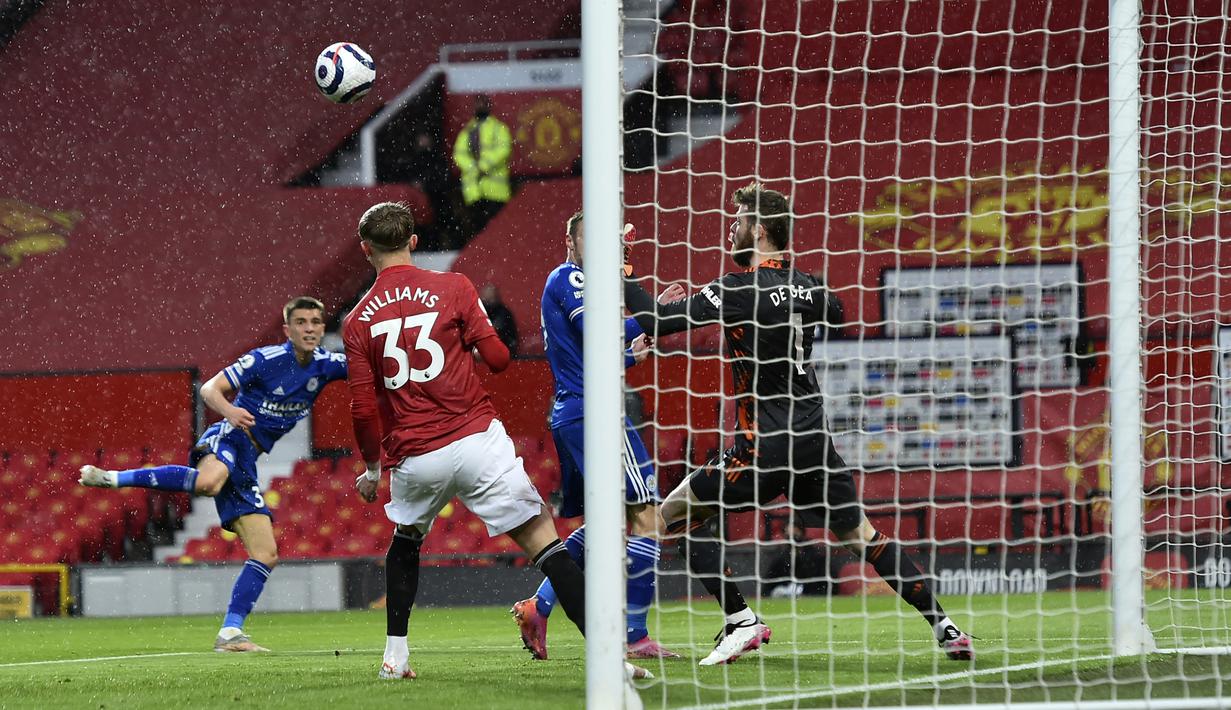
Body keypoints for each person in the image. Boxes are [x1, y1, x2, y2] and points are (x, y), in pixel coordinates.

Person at [622, 183, 975, 665]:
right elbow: (835, 311)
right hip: (814, 443)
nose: (732, 226)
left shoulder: (736, 289)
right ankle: (945, 626)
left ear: (759, 230)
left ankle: (740, 619)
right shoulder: (812, 286)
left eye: (740, 218)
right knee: (864, 538)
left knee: (669, 517)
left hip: (763, 446)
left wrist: (620, 271)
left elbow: (656, 320)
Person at [341, 202, 649, 681]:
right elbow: (501, 358)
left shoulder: (358, 320)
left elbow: (363, 408)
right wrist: (466, 340)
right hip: (476, 440)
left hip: (417, 454)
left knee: (406, 542)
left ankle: (395, 657)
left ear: (365, 250)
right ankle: (611, 661)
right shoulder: (455, 287)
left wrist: (373, 468)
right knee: (547, 545)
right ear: (414, 242)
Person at [78, 297, 347, 653]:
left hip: (248, 460)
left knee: (266, 554)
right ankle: (113, 478)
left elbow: (372, 366)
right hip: (229, 437)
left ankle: (231, 633)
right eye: (301, 322)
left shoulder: (326, 365)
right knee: (207, 482)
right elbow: (209, 389)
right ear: (288, 329)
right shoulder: (265, 359)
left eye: (316, 322)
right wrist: (231, 411)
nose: (310, 328)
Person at [510, 210, 680, 661]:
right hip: (595, 412)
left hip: (575, 410)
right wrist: (655, 314)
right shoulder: (571, 278)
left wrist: (628, 355)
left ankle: (539, 604)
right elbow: (598, 331)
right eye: (589, 236)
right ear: (569, 240)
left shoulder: (572, 284)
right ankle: (634, 635)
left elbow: (587, 350)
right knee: (647, 516)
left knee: (604, 525)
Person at [452, 94, 512, 236]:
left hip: (496, 191)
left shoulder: (498, 128)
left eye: (482, 103)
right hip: (474, 192)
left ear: (489, 105)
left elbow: (504, 149)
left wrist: (483, 166)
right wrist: (473, 167)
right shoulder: (467, 130)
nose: (480, 107)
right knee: (477, 233)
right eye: (477, 103)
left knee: (497, 232)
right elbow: (458, 154)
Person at [479, 282, 519, 355]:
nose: (488, 302)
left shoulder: (503, 313)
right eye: (486, 299)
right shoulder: (479, 312)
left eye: (491, 298)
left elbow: (499, 331)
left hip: (503, 353)